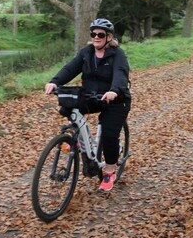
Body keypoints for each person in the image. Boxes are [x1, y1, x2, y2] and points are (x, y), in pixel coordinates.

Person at [45, 18, 131, 191]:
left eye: (100, 34)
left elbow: (120, 74)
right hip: (92, 96)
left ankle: (110, 170)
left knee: (108, 135)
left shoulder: (117, 54)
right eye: (93, 34)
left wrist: (114, 90)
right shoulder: (87, 52)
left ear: (109, 37)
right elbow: (70, 68)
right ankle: (75, 139)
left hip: (116, 100)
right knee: (69, 106)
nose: (96, 37)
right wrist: (55, 82)